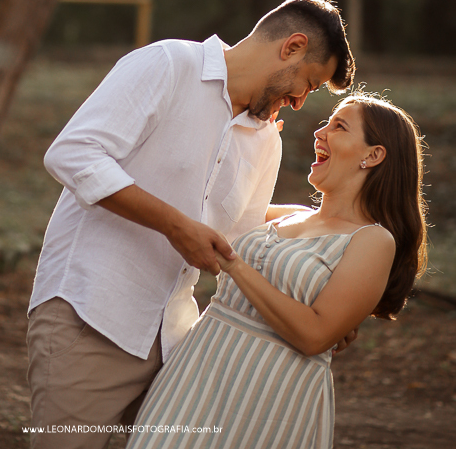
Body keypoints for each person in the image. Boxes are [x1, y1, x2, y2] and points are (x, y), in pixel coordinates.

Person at [26, 0, 355, 447]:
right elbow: (73, 153)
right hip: (91, 317)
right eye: (309, 83)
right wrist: (174, 225)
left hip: (179, 345)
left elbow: (246, 244)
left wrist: (328, 305)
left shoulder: (266, 142)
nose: (300, 102)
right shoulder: (168, 64)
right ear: (292, 46)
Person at [127, 94, 428, 449]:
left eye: (339, 126)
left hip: (269, 393)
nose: (321, 131)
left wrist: (234, 265)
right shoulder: (288, 215)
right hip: (198, 369)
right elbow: (207, 204)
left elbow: (315, 336)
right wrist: (253, 143)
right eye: (327, 122)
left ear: (373, 155)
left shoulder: (373, 240)